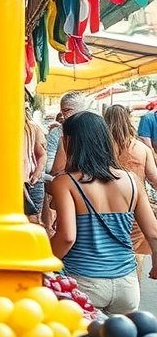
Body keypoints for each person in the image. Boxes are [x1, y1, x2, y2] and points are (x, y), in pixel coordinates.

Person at [50, 112, 157, 314]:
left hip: (84, 283)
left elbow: (66, 237)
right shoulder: (132, 180)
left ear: (69, 141)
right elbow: (153, 232)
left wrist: (45, 261)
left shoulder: (65, 182)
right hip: (127, 285)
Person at [104, 104, 157, 280]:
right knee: (135, 252)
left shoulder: (101, 147)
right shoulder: (142, 149)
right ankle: (131, 291)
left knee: (107, 249)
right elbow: (155, 179)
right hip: (136, 208)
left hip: (104, 206)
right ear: (128, 121)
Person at [23, 105, 47, 223]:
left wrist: (36, 175)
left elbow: (42, 154)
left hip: (31, 182)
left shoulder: (32, 128)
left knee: (33, 220)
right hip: (12, 184)